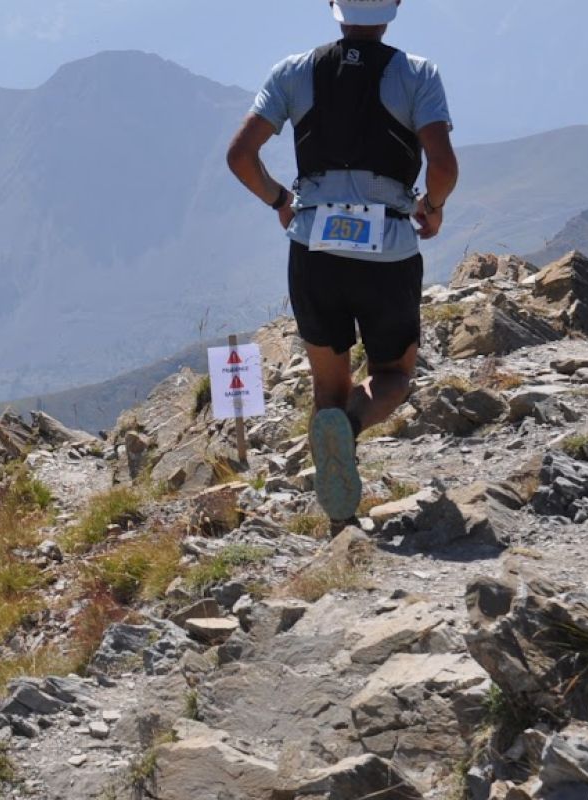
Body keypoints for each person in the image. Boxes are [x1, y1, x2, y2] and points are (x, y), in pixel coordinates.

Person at [225, 0, 458, 521]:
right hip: (389, 250)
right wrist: (434, 206)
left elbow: (240, 155)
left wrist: (280, 200)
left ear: (334, 8)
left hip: (314, 249)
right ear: (393, 9)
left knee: (328, 385)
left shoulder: (293, 71)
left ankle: (338, 515)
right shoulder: (418, 74)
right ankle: (348, 427)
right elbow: (443, 165)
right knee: (393, 376)